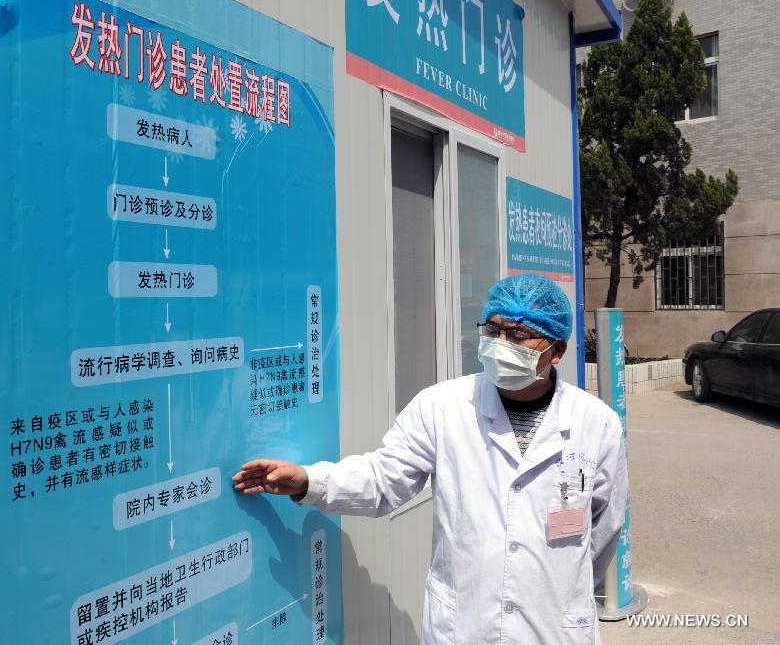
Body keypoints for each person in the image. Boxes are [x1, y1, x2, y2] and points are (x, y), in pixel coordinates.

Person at [232, 273, 628, 645]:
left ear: (557, 350)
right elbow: (384, 478)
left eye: (519, 335)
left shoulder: (597, 425)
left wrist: (552, 579)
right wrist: (309, 481)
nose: (500, 343)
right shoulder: (442, 406)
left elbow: (603, 531)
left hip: (553, 626)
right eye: (493, 330)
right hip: (466, 626)